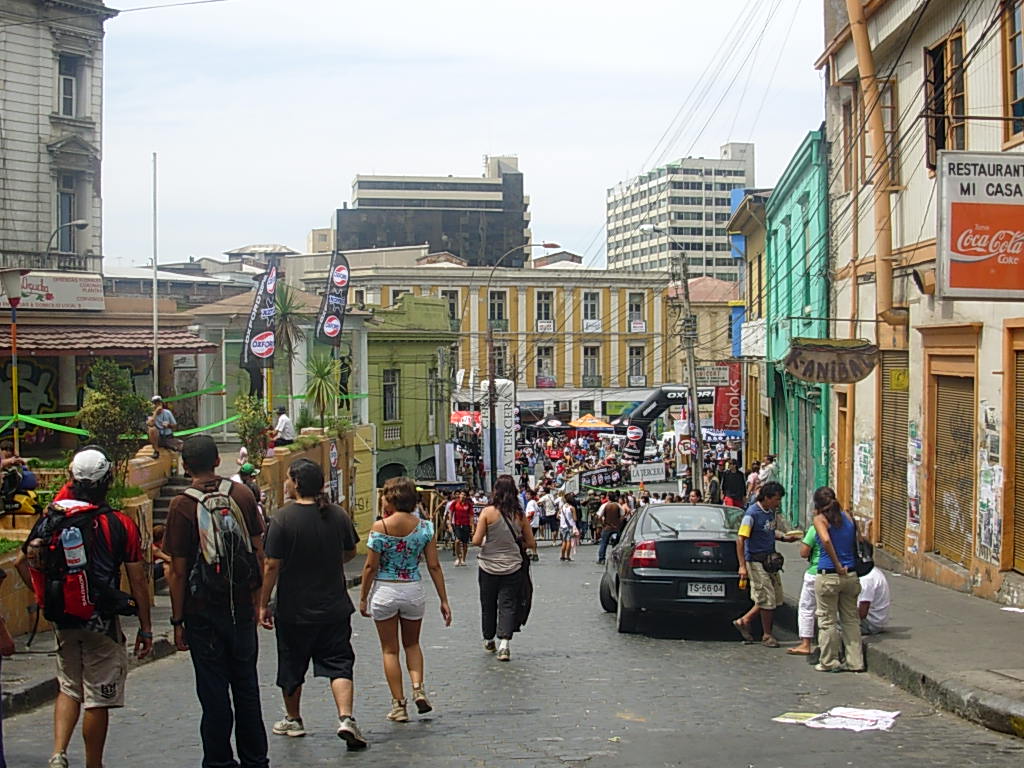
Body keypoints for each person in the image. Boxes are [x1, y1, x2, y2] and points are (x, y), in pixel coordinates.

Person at [15, 447, 153, 768]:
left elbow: (24, 561)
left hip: (64, 619)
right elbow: (138, 580)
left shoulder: (52, 518)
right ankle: (93, 763)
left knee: (68, 686)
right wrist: (146, 626)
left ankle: (59, 753)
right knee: (97, 698)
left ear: (71, 478)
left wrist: (43, 597)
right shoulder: (119, 523)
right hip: (101, 622)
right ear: (107, 480)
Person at [164, 435, 270, 768]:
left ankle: (219, 761)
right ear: (215, 462)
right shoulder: (240, 494)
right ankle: (255, 759)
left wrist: (177, 621)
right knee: (247, 689)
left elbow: (177, 571)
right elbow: (258, 552)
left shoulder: (181, 505)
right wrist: (257, 602)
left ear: (185, 466)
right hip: (239, 607)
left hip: (201, 613)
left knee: (213, 693)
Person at [259, 458, 367, 749]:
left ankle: (293, 719)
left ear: (296, 483)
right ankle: (346, 718)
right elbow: (350, 552)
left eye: (288, 479)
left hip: (294, 609)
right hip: (333, 606)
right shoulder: (338, 515)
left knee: (292, 665)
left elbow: (271, 564)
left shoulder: (282, 519)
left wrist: (263, 603)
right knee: (340, 663)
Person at [358, 477, 451, 723]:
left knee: (390, 650)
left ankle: (399, 705)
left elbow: (370, 566)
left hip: (386, 590)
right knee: (412, 644)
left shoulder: (381, 528)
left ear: (391, 498)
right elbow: (434, 565)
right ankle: (418, 688)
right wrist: (444, 599)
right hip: (412, 589)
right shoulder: (425, 528)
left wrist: (363, 597)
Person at [472, 474, 536, 662]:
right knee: (508, 604)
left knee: (488, 603)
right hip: (513, 566)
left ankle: (489, 638)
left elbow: (476, 541)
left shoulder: (487, 513)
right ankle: (504, 644)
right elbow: (531, 542)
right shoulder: (519, 515)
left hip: (488, 565)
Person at [732, 481, 798, 648]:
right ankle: (767, 635)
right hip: (755, 561)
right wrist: (742, 566)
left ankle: (744, 620)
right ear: (767, 498)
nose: (778, 503)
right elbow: (741, 539)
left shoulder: (770, 513)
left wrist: (784, 538)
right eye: (776, 499)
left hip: (770, 561)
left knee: (774, 598)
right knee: (766, 598)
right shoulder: (751, 515)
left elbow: (768, 530)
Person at [812, 486, 865, 673]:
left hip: (829, 574)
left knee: (827, 621)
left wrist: (836, 563)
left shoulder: (820, 520)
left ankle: (829, 661)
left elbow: (826, 541)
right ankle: (855, 662)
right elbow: (859, 539)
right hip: (851, 575)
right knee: (851, 620)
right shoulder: (848, 517)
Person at [790, 521, 822, 656]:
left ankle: (806, 644)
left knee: (806, 608)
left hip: (817, 572)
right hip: (841, 572)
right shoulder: (844, 524)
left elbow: (804, 552)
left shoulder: (817, 527)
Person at [857, 559, 891, 635]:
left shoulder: (866, 580)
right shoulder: (874, 571)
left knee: (830, 622)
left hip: (871, 624)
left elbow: (862, 613)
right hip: (878, 620)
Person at [146, 395, 181, 460]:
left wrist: (168, 425)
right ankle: (156, 451)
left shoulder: (167, 412)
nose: (158, 405)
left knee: (180, 445)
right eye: (156, 404)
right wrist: (155, 413)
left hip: (168, 436)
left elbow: (175, 425)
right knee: (152, 429)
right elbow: (150, 424)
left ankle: (170, 446)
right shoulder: (151, 414)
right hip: (158, 438)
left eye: (159, 403)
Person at [595, 492, 623, 565]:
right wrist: (618, 523)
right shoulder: (618, 505)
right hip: (616, 527)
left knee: (603, 543)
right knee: (616, 544)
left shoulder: (604, 505)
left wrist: (602, 523)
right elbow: (622, 515)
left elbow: (599, 516)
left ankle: (601, 559)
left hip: (607, 527)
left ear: (608, 497)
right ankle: (616, 558)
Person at [449, 489, 474, 567]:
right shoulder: (455, 503)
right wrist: (449, 524)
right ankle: (458, 558)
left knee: (465, 543)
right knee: (457, 541)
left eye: (464, 495)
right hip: (457, 524)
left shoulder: (469, 504)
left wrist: (472, 527)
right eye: (461, 494)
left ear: (466, 496)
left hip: (466, 525)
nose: (462, 496)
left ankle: (463, 559)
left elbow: (471, 516)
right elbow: (451, 513)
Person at [558, 493, 579, 562]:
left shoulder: (562, 507)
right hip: (570, 526)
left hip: (562, 526)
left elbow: (557, 516)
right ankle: (568, 556)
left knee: (564, 541)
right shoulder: (572, 508)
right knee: (568, 541)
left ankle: (562, 556)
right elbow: (575, 519)